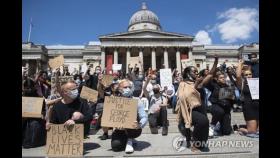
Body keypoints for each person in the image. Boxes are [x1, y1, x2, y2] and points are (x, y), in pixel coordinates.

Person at [176, 66, 209, 152]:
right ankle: (195, 143)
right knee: (203, 121)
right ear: (188, 73)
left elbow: (210, 75)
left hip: (201, 108)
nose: (197, 73)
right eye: (194, 72)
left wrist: (216, 60)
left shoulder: (200, 82)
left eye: (197, 72)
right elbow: (184, 97)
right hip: (190, 109)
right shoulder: (182, 84)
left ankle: (201, 143)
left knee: (205, 124)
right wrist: (196, 85)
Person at [110, 79, 148, 153]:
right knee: (116, 146)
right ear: (120, 89)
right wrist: (114, 125)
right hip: (119, 128)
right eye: (125, 87)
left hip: (132, 128)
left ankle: (130, 139)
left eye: (129, 87)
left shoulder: (137, 100)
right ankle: (125, 139)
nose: (127, 89)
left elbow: (144, 116)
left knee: (134, 124)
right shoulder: (114, 100)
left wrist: (139, 124)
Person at [236, 59, 259, 138]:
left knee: (258, 132)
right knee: (252, 133)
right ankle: (241, 129)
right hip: (249, 108)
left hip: (258, 106)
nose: (248, 76)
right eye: (246, 75)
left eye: (250, 74)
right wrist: (240, 64)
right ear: (243, 76)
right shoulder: (242, 83)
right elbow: (238, 76)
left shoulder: (256, 82)